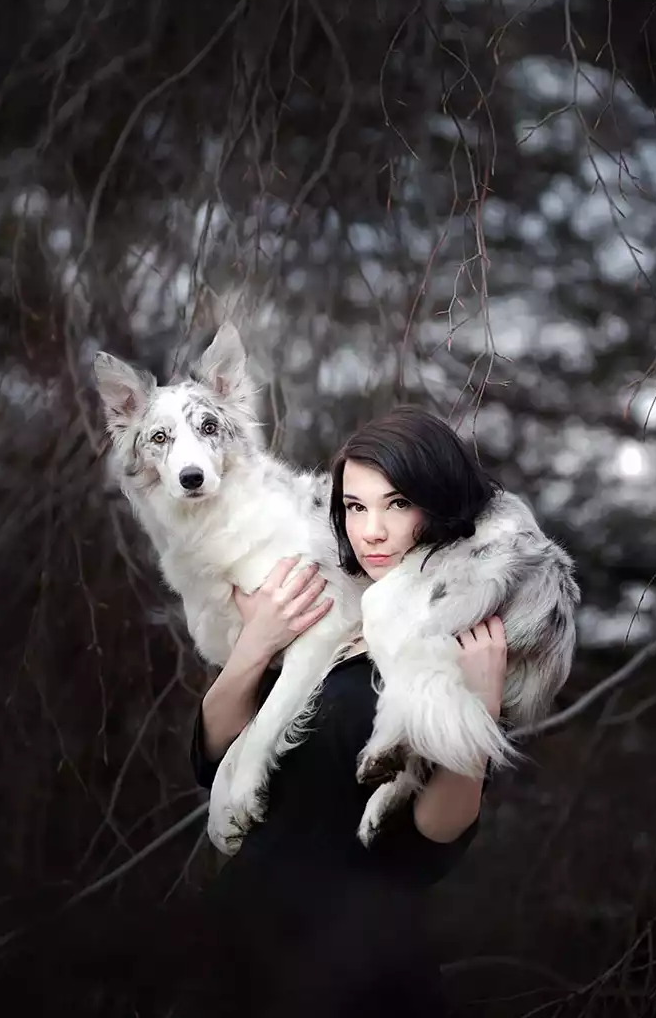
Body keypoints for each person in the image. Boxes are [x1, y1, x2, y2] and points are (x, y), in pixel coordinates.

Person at [177, 407, 509, 1018]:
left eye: (397, 503)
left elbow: (430, 842)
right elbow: (215, 755)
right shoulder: (331, 600)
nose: (372, 531)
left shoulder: (461, 628)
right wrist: (257, 643)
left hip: (354, 970)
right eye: (355, 507)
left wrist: (481, 708)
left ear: (439, 505)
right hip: (234, 951)